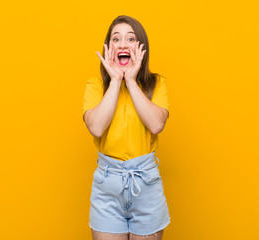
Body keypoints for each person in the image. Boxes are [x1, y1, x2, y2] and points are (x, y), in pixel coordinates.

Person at [82, 15, 171, 240]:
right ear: (109, 47)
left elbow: (157, 123)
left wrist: (130, 81)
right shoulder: (95, 86)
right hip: (107, 185)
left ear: (141, 48)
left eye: (131, 39)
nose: (123, 44)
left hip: (146, 183)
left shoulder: (156, 84)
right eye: (116, 39)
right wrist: (115, 81)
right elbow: (97, 128)